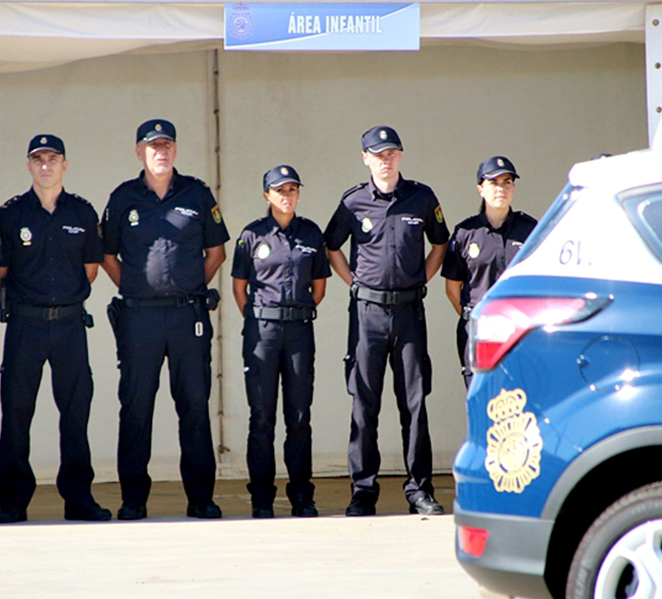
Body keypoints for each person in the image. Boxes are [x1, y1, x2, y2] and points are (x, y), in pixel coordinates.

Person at [102, 119, 229, 520]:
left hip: (186, 317)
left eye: (167, 145)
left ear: (175, 150)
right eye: (153, 146)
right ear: (139, 151)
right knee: (136, 406)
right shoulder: (123, 198)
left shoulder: (197, 193)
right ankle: (133, 500)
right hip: (138, 319)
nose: (161, 151)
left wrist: (187, 288)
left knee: (193, 404)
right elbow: (107, 256)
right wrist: (139, 288)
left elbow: (216, 253)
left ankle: (201, 498)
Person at [323, 126, 449, 517]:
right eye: (379, 154)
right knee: (365, 403)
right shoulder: (353, 203)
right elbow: (332, 247)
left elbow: (440, 242)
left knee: (414, 402)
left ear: (400, 156)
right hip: (368, 314)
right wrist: (354, 282)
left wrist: (421, 278)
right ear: (365, 158)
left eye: (392, 152)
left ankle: (419, 490)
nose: (386, 159)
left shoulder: (422, 198)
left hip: (409, 312)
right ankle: (363, 491)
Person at [0, 134, 109, 523]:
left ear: (64, 165)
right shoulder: (10, 215)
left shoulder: (82, 213)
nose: (45, 165)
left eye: (53, 158)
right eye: (38, 159)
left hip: (70, 326)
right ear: (29, 166)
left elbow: (90, 271)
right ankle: (12, 503)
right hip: (25, 324)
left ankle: (79, 499)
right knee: (16, 413)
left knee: (76, 414)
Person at [231, 165, 329, 519]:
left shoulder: (311, 233)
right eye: (280, 190)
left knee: (299, 416)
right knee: (261, 417)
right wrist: (260, 319)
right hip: (262, 334)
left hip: (299, 332)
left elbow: (319, 288)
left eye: (292, 190)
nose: (287, 196)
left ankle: (302, 496)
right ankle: (262, 498)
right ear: (267, 196)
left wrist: (294, 314)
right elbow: (239, 287)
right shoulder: (251, 235)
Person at [442, 156, 537, 388]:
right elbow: (453, 287)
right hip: (479, 331)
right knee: (483, 398)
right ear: (480, 189)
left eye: (507, 182)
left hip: (519, 331)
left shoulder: (530, 230)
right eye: (494, 183)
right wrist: (473, 317)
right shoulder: (466, 233)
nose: (501, 189)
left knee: (519, 400)